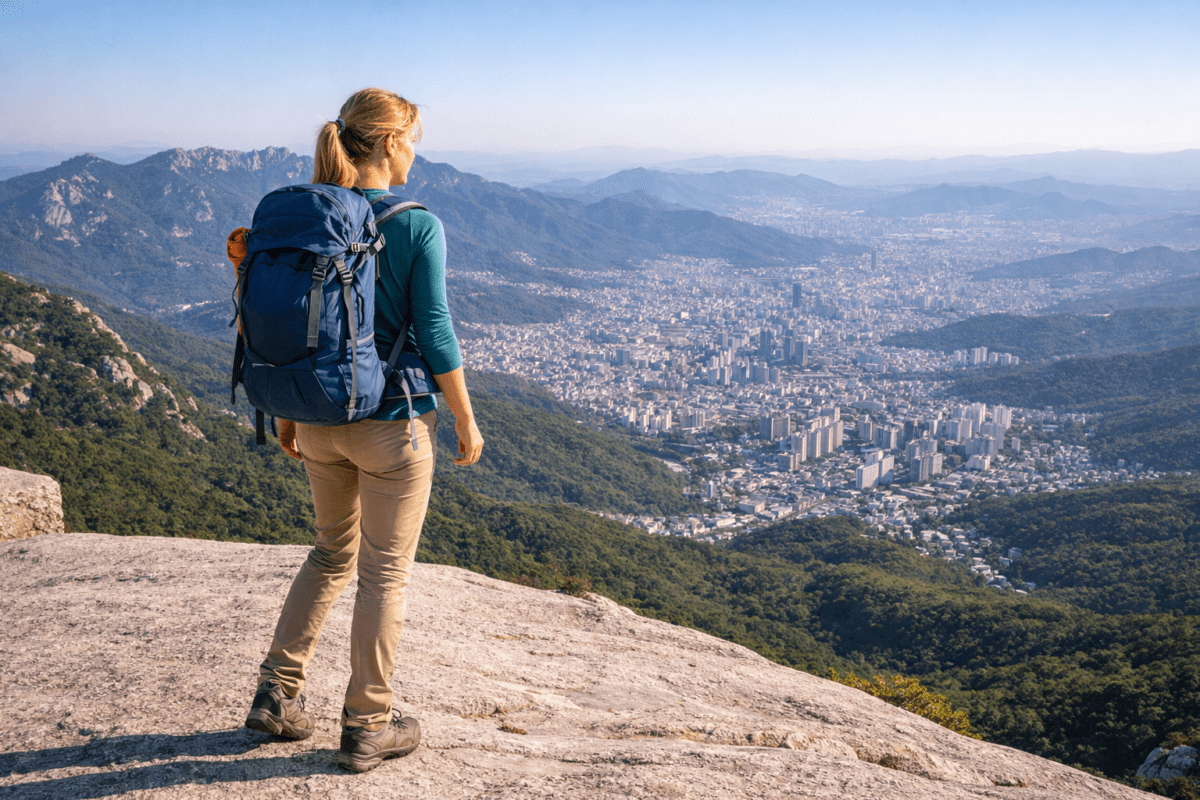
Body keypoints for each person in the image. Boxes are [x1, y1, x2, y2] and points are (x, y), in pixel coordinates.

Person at [244, 88, 483, 773]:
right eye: (412, 138)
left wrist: (290, 412)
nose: (416, 151)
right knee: (384, 575)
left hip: (318, 421)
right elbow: (434, 327)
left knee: (328, 554)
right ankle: (368, 723)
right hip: (393, 426)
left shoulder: (313, 217)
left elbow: (298, 322)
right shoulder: (415, 224)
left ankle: (276, 693)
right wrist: (463, 416)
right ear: (386, 143)